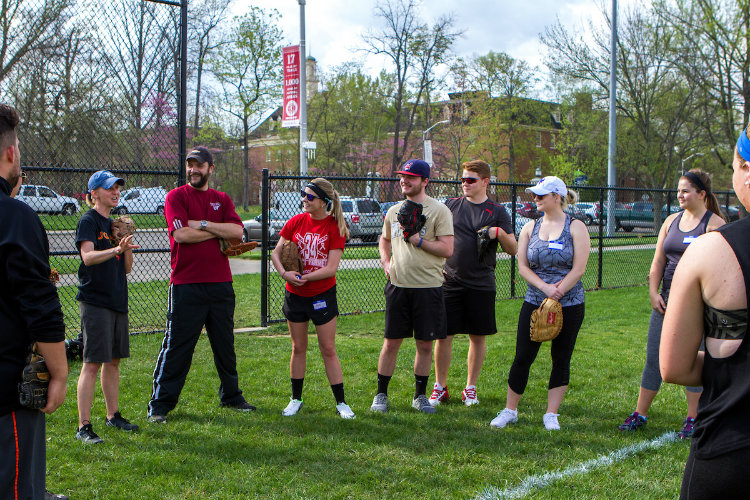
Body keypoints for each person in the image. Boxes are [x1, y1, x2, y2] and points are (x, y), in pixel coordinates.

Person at [661, 126, 750, 500]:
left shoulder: (711, 251)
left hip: (732, 445)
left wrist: (729, 367)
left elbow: (674, 367)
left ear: (745, 167)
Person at [148, 146, 255, 423]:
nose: (193, 170)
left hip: (220, 284)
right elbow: (182, 234)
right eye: (189, 165)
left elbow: (237, 231)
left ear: (210, 168)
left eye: (199, 165)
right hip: (186, 284)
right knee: (178, 346)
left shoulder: (221, 198)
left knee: (225, 344)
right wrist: (216, 231)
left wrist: (204, 224)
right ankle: (160, 405)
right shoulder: (176, 197)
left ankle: (231, 395)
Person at [618, 169, 724, 438]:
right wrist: (654, 293)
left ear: (702, 194)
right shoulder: (670, 222)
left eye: (686, 190)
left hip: (699, 307)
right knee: (654, 357)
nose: (680, 194)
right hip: (666, 302)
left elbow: (722, 269)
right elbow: (657, 262)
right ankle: (640, 413)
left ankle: (693, 418)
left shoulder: (715, 225)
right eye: (678, 190)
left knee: (695, 360)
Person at [0, 103, 69, 500]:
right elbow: (40, 304)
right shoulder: (14, 217)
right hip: (5, 397)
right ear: (11, 153)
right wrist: (58, 373)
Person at [490, 176, 589, 430]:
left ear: (558, 196)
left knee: (561, 356)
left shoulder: (576, 227)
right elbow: (522, 267)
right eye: (535, 194)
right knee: (523, 356)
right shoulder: (529, 227)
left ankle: (551, 414)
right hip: (534, 300)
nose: (535, 199)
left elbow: (579, 269)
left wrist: (558, 291)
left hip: (569, 303)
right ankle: (510, 410)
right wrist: (545, 289)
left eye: (541, 195)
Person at [429, 160, 517, 407]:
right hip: (449, 281)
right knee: (444, 336)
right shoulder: (451, 206)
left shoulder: (497, 211)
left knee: (477, 337)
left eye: (471, 180)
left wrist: (498, 233)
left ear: (485, 182)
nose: (465, 184)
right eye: (463, 179)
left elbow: (513, 249)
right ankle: (440, 387)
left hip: (481, 283)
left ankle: (470, 388)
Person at [370, 159, 454, 414]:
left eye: (411, 177)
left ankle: (419, 396)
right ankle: (381, 394)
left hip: (429, 287)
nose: (404, 181)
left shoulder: (439, 211)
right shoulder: (394, 211)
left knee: (425, 344)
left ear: (425, 181)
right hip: (398, 285)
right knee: (391, 342)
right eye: (402, 176)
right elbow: (384, 240)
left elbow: (447, 249)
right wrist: (386, 262)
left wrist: (418, 241)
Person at [270, 178, 354, 419]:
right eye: (303, 195)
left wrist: (305, 277)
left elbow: (331, 268)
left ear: (324, 202)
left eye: (310, 197)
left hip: (321, 295)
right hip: (295, 294)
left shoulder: (335, 226)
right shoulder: (296, 221)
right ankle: (296, 398)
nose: (304, 200)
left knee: (328, 348)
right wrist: (285, 273)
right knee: (298, 347)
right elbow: (276, 253)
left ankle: (341, 402)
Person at [74, 170, 141, 444]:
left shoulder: (116, 224)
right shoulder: (88, 221)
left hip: (117, 299)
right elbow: (87, 257)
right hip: (95, 300)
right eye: (109, 188)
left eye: (117, 188)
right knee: (92, 363)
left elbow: (126, 269)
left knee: (113, 361)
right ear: (95, 193)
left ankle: (113, 416)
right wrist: (114, 249)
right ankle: (83, 427)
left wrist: (125, 247)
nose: (115, 192)